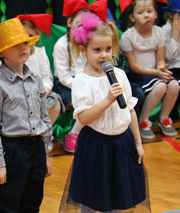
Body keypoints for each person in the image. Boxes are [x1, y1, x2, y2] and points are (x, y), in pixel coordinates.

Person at [62, 12, 148, 212]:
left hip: (122, 143)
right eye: (97, 50)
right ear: (83, 50)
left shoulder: (118, 74)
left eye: (108, 49)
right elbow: (84, 117)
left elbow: (130, 111)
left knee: (119, 197)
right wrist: (108, 99)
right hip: (95, 145)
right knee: (92, 197)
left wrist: (138, 143)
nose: (104, 55)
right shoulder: (82, 81)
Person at [0, 18, 53, 212]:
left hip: (36, 146)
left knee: (33, 200)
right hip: (13, 150)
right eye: (15, 45)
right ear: (2, 53)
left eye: (25, 42)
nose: (23, 48)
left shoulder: (36, 80)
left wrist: (46, 154)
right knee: (8, 202)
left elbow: (44, 118)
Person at [120, 0, 180, 139]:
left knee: (173, 85)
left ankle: (164, 118)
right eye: (140, 13)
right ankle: (143, 121)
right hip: (138, 74)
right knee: (159, 86)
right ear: (132, 17)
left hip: (155, 72)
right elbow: (133, 66)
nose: (146, 15)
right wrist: (157, 73)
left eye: (149, 11)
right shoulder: (127, 36)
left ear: (155, 15)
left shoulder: (159, 32)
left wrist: (162, 68)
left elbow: (160, 59)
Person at [53, 0, 107, 153]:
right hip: (66, 85)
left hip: (88, 81)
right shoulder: (61, 45)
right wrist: (82, 85)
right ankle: (73, 133)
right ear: (69, 22)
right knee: (88, 99)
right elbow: (63, 76)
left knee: (103, 96)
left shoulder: (89, 43)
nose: (83, 29)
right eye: (79, 24)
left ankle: (97, 133)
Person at [17, 14, 64, 125]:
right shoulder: (16, 54)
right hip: (20, 94)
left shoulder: (40, 53)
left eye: (30, 35)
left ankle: (44, 131)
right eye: (23, 35)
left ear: (37, 35)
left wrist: (44, 90)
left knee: (55, 100)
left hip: (40, 93)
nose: (27, 39)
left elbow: (47, 77)